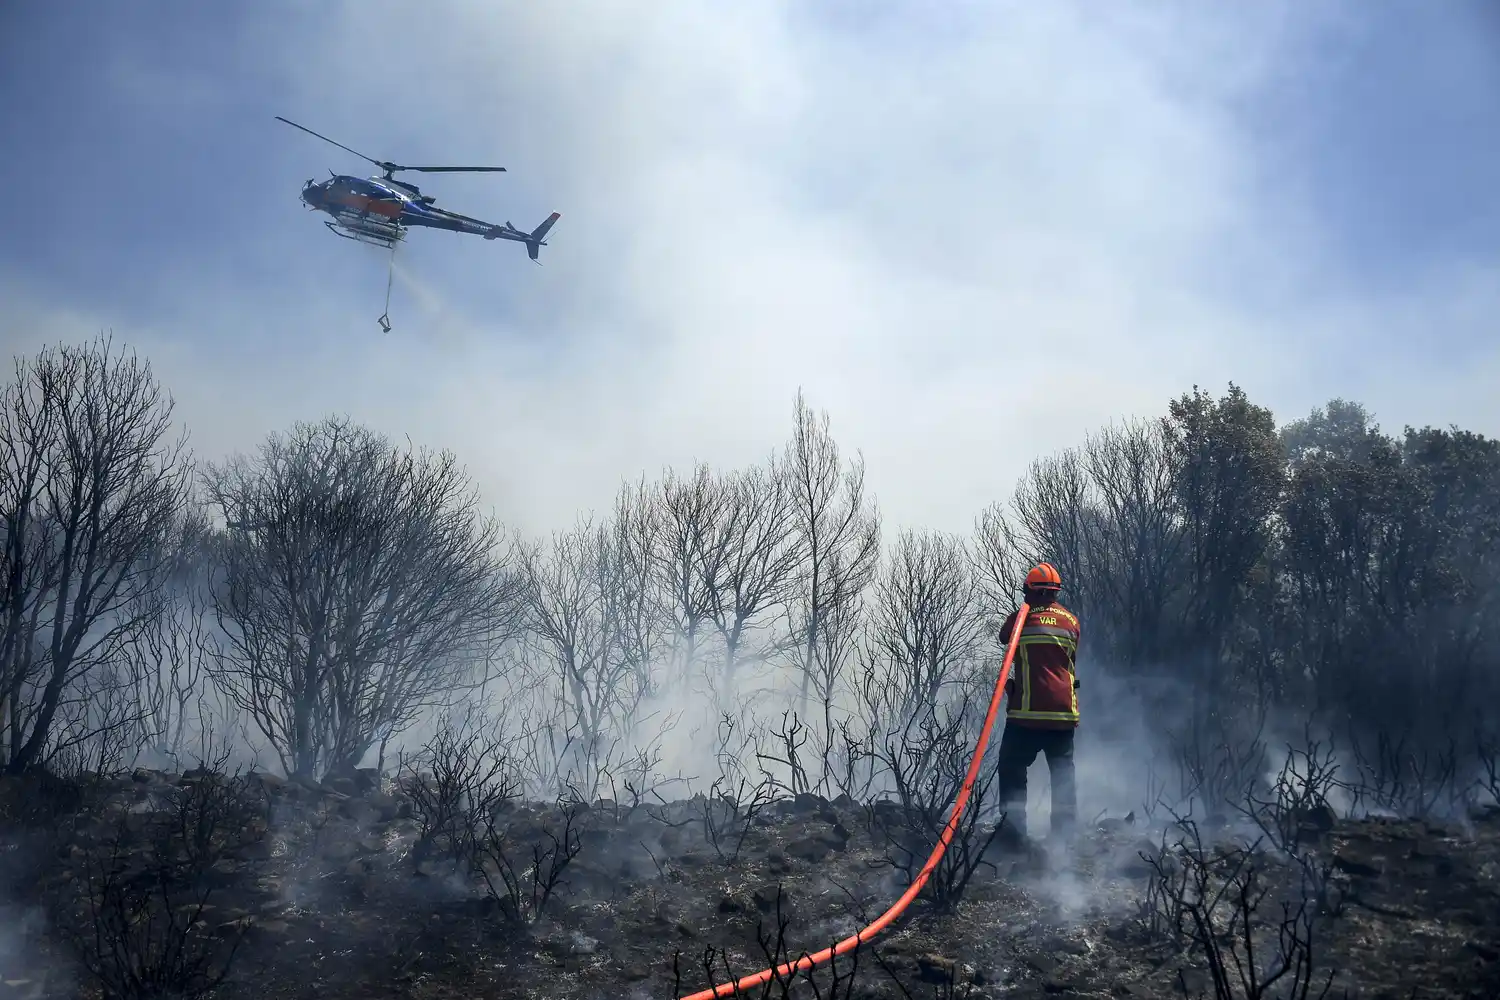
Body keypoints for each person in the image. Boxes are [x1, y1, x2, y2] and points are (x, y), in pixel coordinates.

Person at [994, 562, 1081, 842]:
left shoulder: (1023, 619)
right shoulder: (1071, 621)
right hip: (1064, 715)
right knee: (1063, 775)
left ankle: (1013, 832)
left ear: (1030, 591)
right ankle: (1065, 836)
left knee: (1011, 767)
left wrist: (1021, 611)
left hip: (1027, 715)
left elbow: (1003, 637)